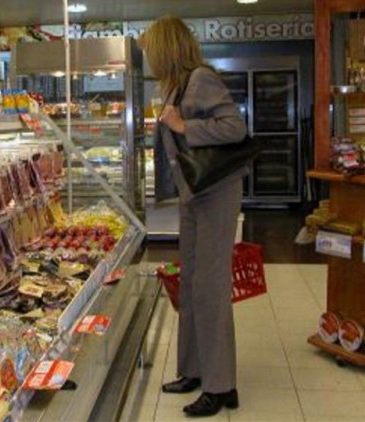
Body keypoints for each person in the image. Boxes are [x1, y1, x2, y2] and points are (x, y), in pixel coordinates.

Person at [139, 16, 247, 418]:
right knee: (190, 283)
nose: (148, 59)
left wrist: (184, 124)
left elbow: (234, 127)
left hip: (215, 190)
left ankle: (221, 386)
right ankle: (194, 370)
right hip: (193, 193)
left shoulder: (201, 78)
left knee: (210, 286)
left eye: (151, 50)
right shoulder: (174, 85)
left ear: (166, 49)